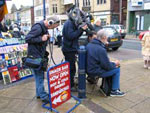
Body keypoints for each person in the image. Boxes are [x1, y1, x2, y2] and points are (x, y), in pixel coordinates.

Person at [25, 16, 60, 103]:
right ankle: (43, 96)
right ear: (50, 22)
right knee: (40, 76)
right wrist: (41, 38)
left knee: (38, 76)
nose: (53, 28)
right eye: (53, 27)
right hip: (35, 56)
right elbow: (28, 38)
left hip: (38, 55)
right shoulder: (38, 27)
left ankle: (39, 93)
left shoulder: (43, 28)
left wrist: (45, 38)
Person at [86, 29, 125, 97]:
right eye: (107, 37)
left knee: (112, 65)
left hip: (89, 69)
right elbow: (107, 66)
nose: (107, 39)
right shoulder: (101, 49)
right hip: (95, 71)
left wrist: (111, 63)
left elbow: (100, 61)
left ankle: (108, 87)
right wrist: (115, 64)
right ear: (104, 37)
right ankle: (114, 90)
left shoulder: (89, 45)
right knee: (117, 69)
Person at [62, 10, 88, 91]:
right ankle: (70, 85)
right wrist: (80, 30)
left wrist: (81, 30)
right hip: (69, 49)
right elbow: (71, 36)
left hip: (71, 48)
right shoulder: (69, 23)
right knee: (71, 68)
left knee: (72, 68)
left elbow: (76, 35)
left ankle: (71, 83)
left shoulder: (72, 23)